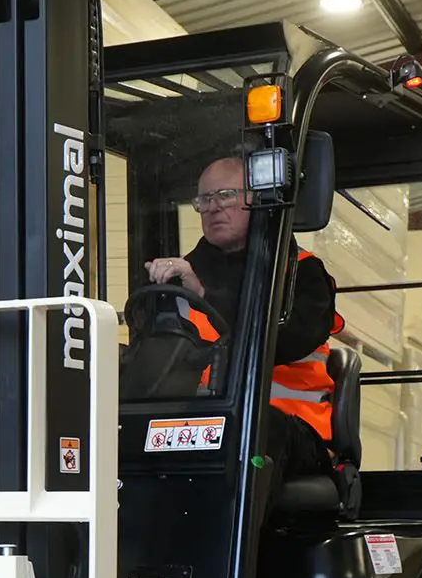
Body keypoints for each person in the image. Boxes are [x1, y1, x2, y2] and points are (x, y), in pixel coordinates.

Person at [146, 155, 343, 478]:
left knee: (251, 431)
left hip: (294, 429)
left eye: (225, 195)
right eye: (204, 199)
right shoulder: (181, 277)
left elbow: (282, 341)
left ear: (260, 201)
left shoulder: (300, 272)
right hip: (204, 425)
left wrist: (205, 297)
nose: (212, 208)